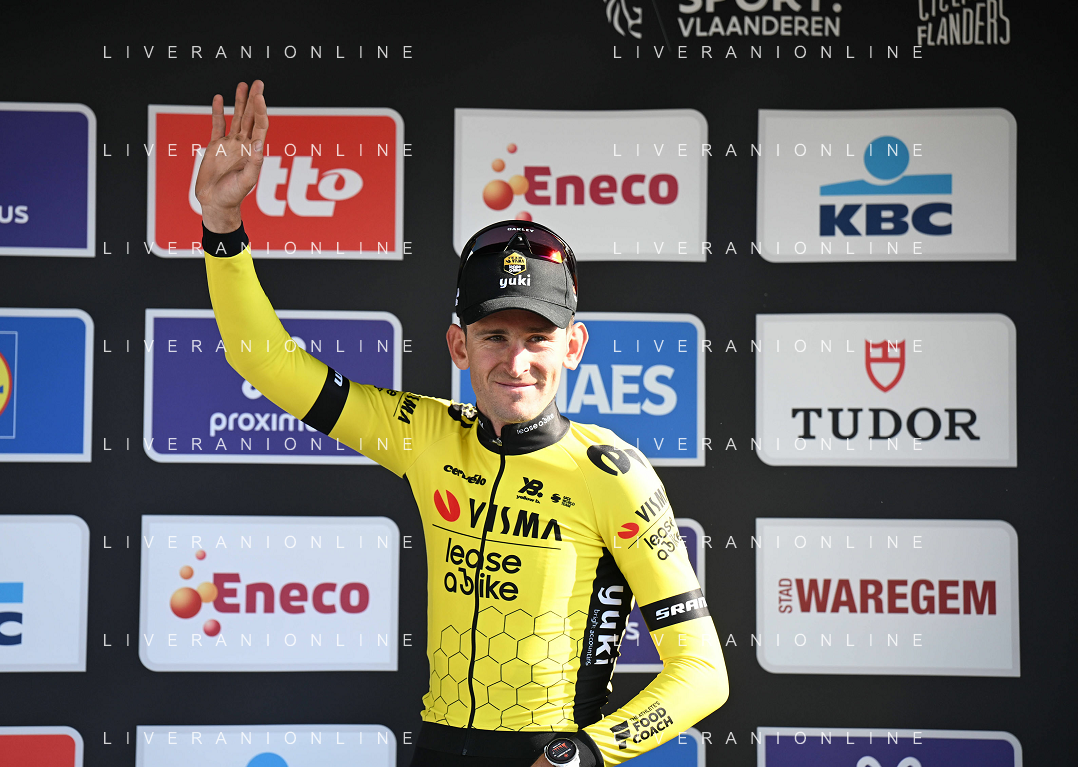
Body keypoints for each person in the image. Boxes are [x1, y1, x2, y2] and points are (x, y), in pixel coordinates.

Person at [196, 80, 728, 767]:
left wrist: (585, 754)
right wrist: (222, 224)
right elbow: (264, 361)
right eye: (494, 336)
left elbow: (702, 672)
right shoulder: (424, 435)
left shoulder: (611, 475)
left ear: (573, 346)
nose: (516, 361)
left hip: (552, 754)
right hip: (440, 747)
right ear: (458, 346)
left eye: (538, 339)